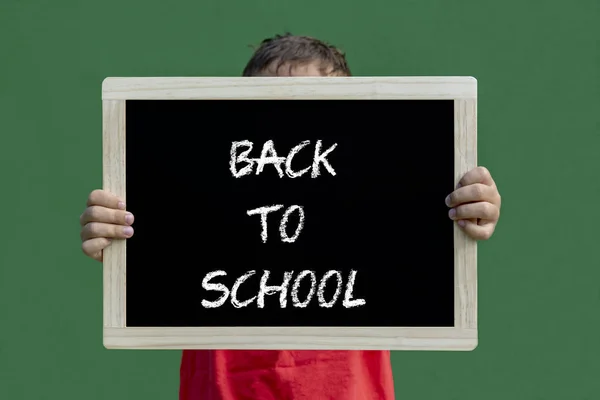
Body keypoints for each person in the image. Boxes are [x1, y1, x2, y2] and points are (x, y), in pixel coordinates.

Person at [80, 34, 502, 400]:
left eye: (317, 108)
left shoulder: (372, 191)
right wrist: (120, 241)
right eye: (271, 108)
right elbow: (161, 246)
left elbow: (421, 224)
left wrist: (468, 211)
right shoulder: (201, 192)